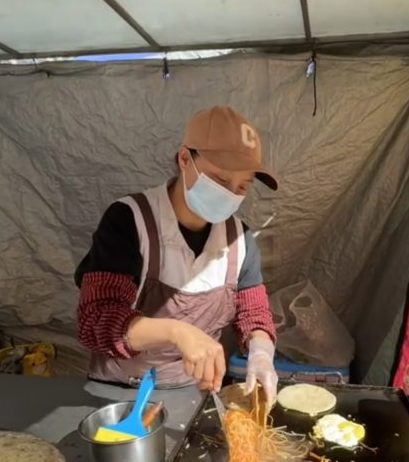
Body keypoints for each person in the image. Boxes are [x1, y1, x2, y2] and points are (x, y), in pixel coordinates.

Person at [75, 106, 279, 404]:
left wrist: (261, 354)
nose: (230, 194)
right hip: (119, 393)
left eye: (242, 187)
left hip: (192, 394)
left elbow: (254, 314)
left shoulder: (240, 240)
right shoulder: (130, 220)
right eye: (221, 180)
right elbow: (96, 321)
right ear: (185, 159)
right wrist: (177, 332)